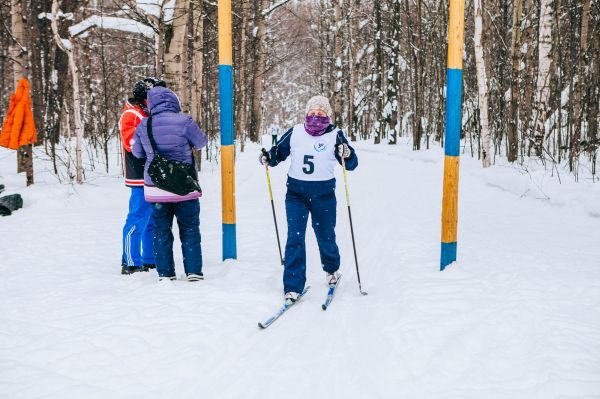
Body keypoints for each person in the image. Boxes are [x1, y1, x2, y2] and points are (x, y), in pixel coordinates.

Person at [259, 95, 358, 302]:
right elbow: (279, 152)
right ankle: (293, 285)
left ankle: (332, 269)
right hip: (296, 194)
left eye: (321, 113)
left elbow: (351, 163)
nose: (316, 116)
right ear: (306, 114)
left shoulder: (336, 135)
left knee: (325, 235)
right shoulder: (295, 131)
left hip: (324, 195)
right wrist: (268, 156)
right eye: (312, 113)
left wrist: (346, 153)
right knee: (295, 238)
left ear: (328, 115)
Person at [132, 86, 208, 282]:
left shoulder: (143, 125)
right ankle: (193, 272)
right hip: (184, 186)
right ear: (173, 101)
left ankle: (166, 273)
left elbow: (138, 153)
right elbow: (201, 143)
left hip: (156, 187)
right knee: (190, 228)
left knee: (161, 230)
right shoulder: (185, 121)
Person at [119, 77, 166, 274]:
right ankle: (130, 261)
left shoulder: (145, 113)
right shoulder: (131, 114)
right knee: (137, 217)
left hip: (150, 173)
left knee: (151, 219)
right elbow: (132, 144)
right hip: (139, 175)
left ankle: (149, 258)